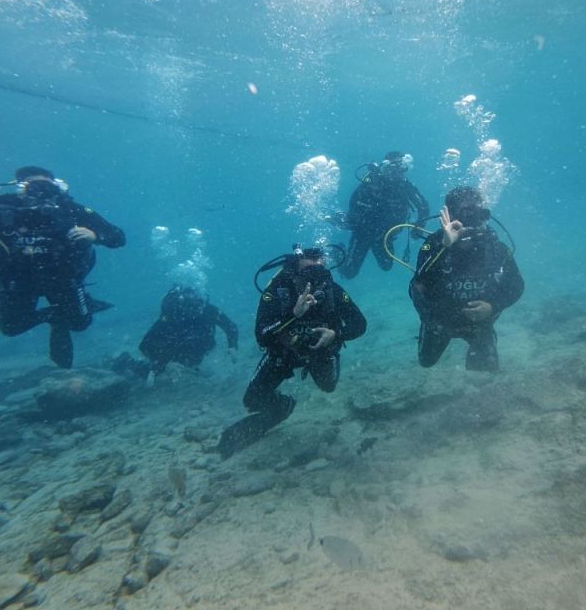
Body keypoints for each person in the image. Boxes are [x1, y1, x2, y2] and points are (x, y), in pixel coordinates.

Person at [0, 166, 125, 368]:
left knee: (80, 324)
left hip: (64, 277)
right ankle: (56, 316)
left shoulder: (70, 208)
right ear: (19, 187)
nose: (41, 191)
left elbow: (118, 237)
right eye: (33, 185)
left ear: (56, 186)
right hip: (16, 280)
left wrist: (95, 236)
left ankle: (68, 313)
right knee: (11, 327)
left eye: (46, 185)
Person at [216, 247, 366, 459]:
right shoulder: (276, 291)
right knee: (252, 400)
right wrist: (292, 314)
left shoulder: (332, 290)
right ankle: (283, 407)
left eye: (318, 272)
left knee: (328, 386)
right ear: (293, 271)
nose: (312, 282)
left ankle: (322, 361)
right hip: (284, 353)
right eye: (306, 274)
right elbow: (262, 335)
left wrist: (335, 334)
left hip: (320, 351)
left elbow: (360, 324)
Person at [410, 186, 523, 373]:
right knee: (426, 361)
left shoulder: (496, 248)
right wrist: (444, 246)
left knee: (486, 371)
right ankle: (433, 331)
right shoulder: (434, 244)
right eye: (466, 213)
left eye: (478, 214)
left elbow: (517, 285)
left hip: (479, 322)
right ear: (451, 215)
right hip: (440, 322)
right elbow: (416, 286)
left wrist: (493, 306)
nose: (473, 220)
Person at [337, 151, 430, 279]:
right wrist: (358, 221)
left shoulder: (404, 185)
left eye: (401, 169)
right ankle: (338, 252)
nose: (397, 174)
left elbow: (423, 206)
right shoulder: (372, 181)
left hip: (384, 235)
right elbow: (353, 203)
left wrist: (419, 226)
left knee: (386, 266)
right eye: (393, 168)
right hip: (363, 233)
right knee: (348, 273)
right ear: (385, 166)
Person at [135, 284, 238, 374]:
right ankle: (127, 362)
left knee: (193, 359)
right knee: (153, 371)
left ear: (202, 303)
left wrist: (232, 346)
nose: (196, 311)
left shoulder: (209, 310)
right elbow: (145, 345)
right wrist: (165, 363)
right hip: (174, 353)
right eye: (191, 308)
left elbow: (230, 326)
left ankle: (188, 366)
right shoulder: (172, 316)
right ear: (183, 306)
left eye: (198, 306)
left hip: (197, 351)